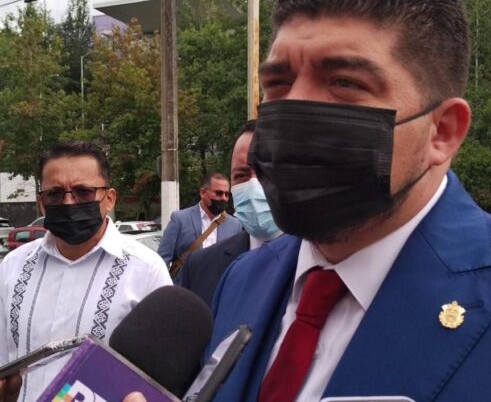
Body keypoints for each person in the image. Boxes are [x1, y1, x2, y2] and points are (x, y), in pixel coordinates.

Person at [200, 0, 491, 401]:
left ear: (442, 132)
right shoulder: (243, 278)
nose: (293, 108)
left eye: (345, 83)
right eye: (278, 84)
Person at [0, 141, 172, 402]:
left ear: (109, 198)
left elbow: (159, 379)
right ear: (41, 203)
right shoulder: (13, 266)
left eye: (83, 192)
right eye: (55, 194)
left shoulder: (145, 271)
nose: (69, 202)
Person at [180, 120, 282, 306]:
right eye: (241, 175)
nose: (253, 184)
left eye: (265, 171)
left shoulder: (325, 260)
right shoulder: (199, 267)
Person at [157, 172, 242, 267]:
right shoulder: (180, 219)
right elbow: (162, 261)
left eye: (227, 194)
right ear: (203, 193)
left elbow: (237, 262)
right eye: (219, 193)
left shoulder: (235, 225)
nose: (224, 198)